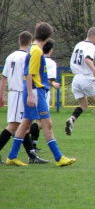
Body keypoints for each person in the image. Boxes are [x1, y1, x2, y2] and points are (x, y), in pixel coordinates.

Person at [5, 22, 76, 166]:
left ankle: (12, 156)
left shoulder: (33, 48)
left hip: (34, 91)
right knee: (47, 124)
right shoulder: (37, 50)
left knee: (25, 124)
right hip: (36, 91)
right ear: (48, 36)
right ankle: (59, 157)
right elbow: (29, 73)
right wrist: (31, 94)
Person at [0, 31, 49, 164]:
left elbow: (3, 78)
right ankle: (26, 156)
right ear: (30, 41)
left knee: (24, 125)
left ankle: (31, 156)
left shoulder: (10, 56)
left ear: (19, 41)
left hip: (13, 92)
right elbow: (29, 74)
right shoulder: (27, 56)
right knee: (14, 125)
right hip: (20, 92)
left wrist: (1, 95)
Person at [66, 27, 95, 138]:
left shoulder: (79, 45)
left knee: (83, 105)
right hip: (85, 77)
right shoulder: (91, 46)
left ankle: (72, 119)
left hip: (76, 78)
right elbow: (87, 59)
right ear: (93, 36)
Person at [30, 38, 60, 153]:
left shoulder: (36, 57)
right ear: (51, 50)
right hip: (42, 93)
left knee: (36, 121)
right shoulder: (51, 63)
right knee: (42, 123)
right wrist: (55, 85)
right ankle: (27, 140)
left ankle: (32, 144)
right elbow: (47, 81)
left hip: (32, 91)